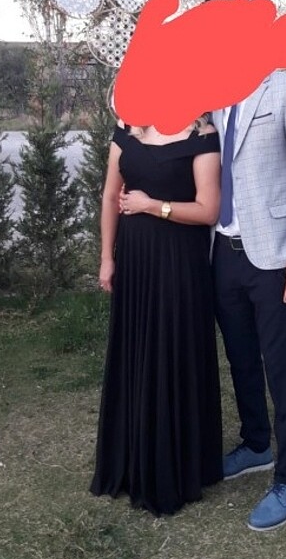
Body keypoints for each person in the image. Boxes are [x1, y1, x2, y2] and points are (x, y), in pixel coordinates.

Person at [90, 114, 223, 516]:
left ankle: (176, 466)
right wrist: (107, 257)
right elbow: (110, 196)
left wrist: (152, 206)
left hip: (179, 264)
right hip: (135, 262)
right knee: (136, 351)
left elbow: (208, 211)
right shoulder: (128, 127)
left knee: (171, 351)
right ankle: (132, 459)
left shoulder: (202, 134)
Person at [211, 67, 286, 532]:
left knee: (281, 366)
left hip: (276, 257)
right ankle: (257, 444)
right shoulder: (215, 93)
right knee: (240, 359)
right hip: (224, 252)